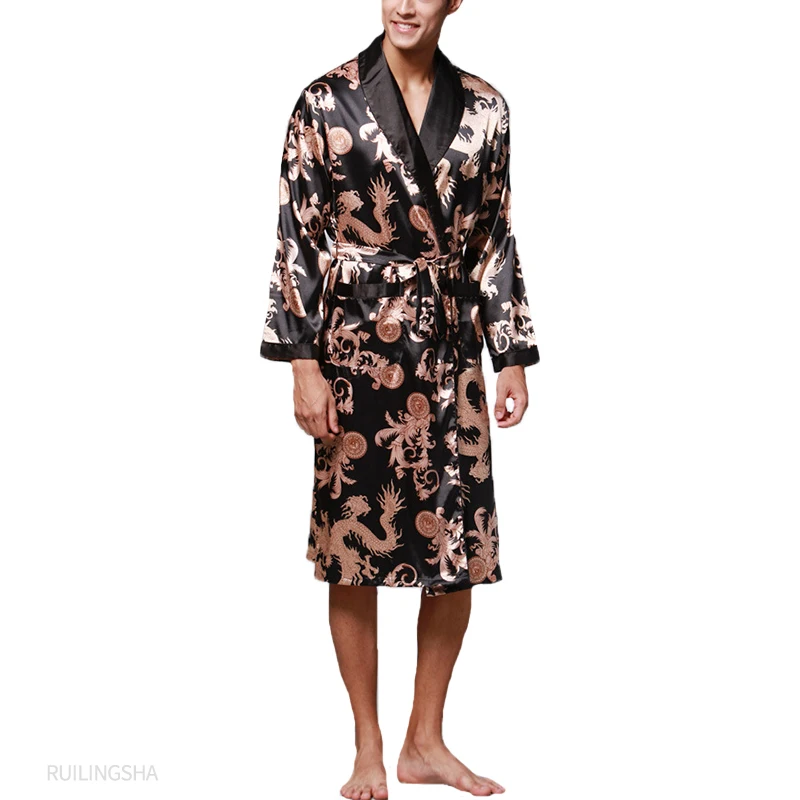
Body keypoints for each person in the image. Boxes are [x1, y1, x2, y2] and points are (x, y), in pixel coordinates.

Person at [259, 2, 540, 797]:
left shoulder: (485, 109)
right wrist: (302, 362)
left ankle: (426, 740)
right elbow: (297, 235)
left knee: (458, 548)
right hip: (356, 353)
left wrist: (511, 351)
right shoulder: (326, 101)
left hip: (451, 352)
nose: (406, 3)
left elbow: (494, 236)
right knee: (353, 548)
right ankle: (368, 745)